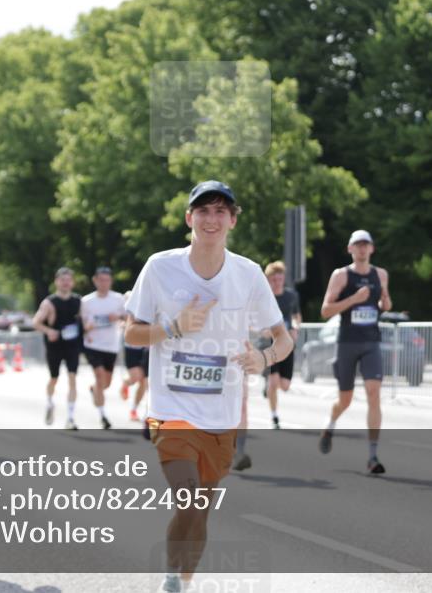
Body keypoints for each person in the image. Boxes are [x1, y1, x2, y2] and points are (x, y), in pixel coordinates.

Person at [125, 180, 293, 593]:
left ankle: (182, 578)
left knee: (199, 511)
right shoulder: (160, 267)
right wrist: (173, 327)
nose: (211, 219)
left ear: (232, 220)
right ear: (189, 219)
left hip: (222, 415)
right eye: (203, 211)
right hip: (171, 409)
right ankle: (170, 582)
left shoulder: (248, 274)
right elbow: (131, 333)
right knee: (186, 499)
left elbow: (283, 338)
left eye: (220, 211)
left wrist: (264, 358)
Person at [317, 230, 393, 475]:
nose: (362, 249)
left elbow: (384, 305)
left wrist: (386, 301)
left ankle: (373, 456)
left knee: (374, 392)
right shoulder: (341, 276)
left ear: (372, 249)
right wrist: (353, 299)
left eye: (366, 245)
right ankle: (330, 425)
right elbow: (326, 310)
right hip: (347, 343)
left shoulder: (380, 274)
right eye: (357, 245)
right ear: (350, 249)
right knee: (346, 400)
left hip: (371, 342)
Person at [32, 267, 83, 429]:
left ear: (73, 282)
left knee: (72, 377)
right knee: (54, 378)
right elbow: (36, 322)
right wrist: (49, 331)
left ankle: (70, 417)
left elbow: (84, 321)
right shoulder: (49, 302)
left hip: (72, 345)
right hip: (55, 345)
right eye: (62, 280)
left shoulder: (78, 301)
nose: (66, 283)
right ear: (56, 281)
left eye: (68, 280)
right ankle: (49, 403)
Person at [81, 266, 126, 429]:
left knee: (105, 384)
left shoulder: (118, 299)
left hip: (111, 346)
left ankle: (94, 389)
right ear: (95, 280)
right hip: (92, 344)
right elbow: (81, 323)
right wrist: (87, 327)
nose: (104, 283)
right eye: (101, 280)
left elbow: (128, 317)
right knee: (100, 377)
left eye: (107, 280)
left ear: (111, 281)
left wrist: (119, 317)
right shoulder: (86, 301)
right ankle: (103, 416)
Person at [262, 261, 301, 428]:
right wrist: (263, 330)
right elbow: (254, 320)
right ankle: (274, 416)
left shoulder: (291, 296)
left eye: (280, 279)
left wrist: (295, 328)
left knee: (284, 386)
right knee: (274, 382)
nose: (278, 282)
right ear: (269, 280)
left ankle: (269, 388)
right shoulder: (264, 297)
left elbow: (296, 316)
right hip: (269, 344)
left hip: (287, 343)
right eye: (274, 279)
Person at [120, 290, 149, 422]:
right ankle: (126, 383)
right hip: (131, 348)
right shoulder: (129, 309)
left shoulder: (149, 307)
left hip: (145, 348)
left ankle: (134, 409)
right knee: (136, 377)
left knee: (144, 382)